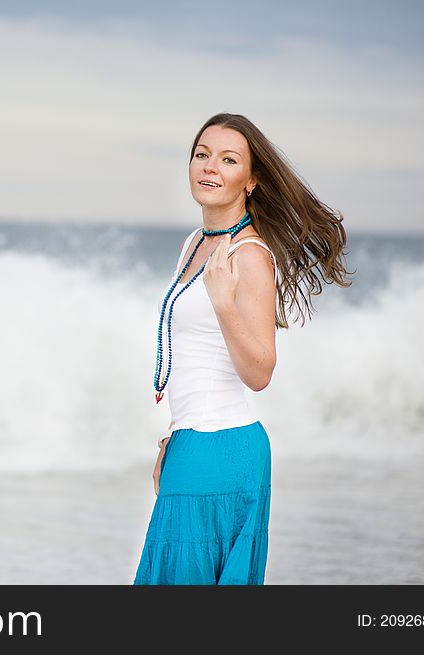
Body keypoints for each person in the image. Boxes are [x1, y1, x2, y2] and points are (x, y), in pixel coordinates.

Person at [133, 112, 352, 585]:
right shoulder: (197, 242)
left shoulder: (249, 256)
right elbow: (195, 354)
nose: (210, 167)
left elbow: (260, 371)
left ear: (250, 180)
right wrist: (173, 436)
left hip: (224, 450)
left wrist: (224, 305)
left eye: (228, 160)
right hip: (194, 442)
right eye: (202, 154)